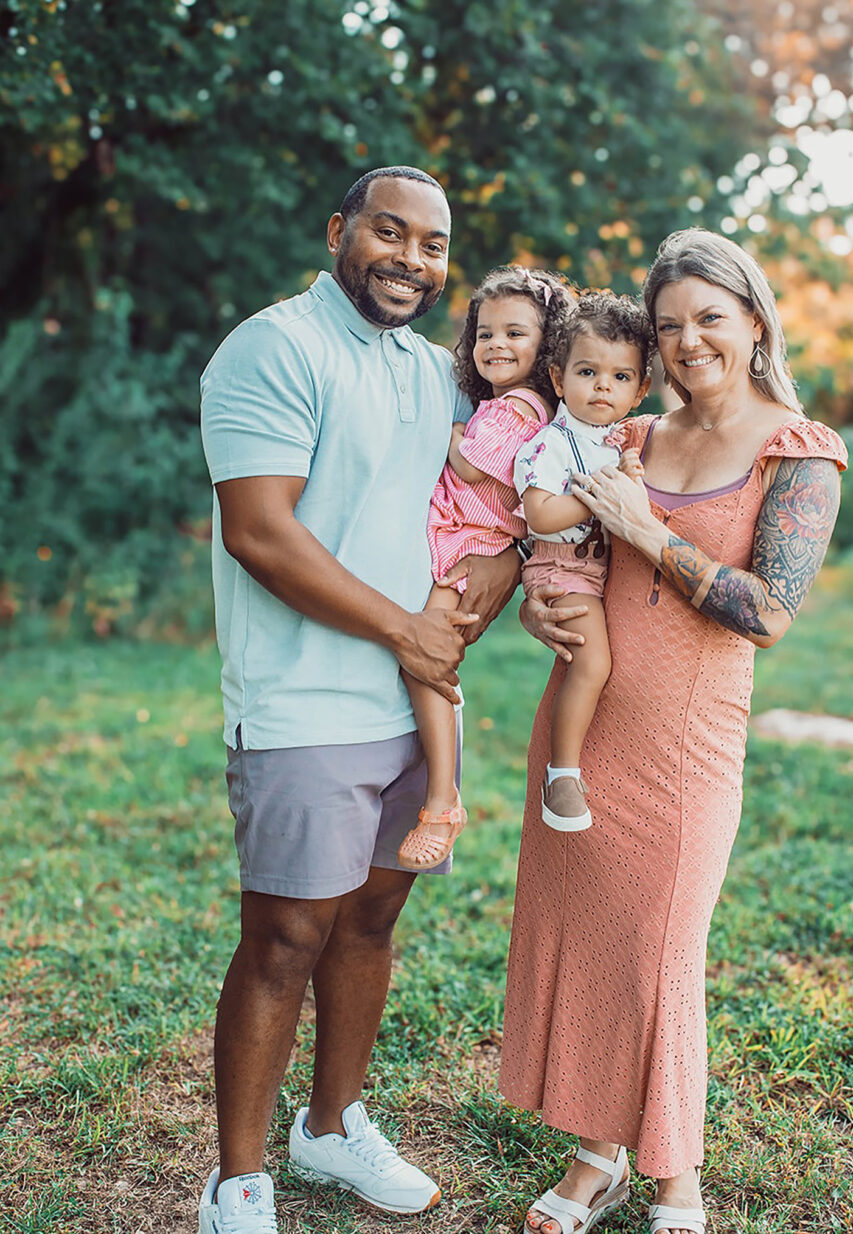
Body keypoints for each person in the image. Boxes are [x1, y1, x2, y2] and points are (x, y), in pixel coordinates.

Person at [501, 228, 848, 1234]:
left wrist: (649, 533)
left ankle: (676, 1179)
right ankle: (597, 1156)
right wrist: (538, 605)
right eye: (669, 325)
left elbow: (766, 613)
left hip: (685, 749)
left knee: (661, 954)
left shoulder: (799, 451)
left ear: (754, 321)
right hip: (582, 735)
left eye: (710, 317)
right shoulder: (633, 434)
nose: (690, 340)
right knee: (595, 941)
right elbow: (561, 542)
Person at [197, 166, 521, 1234]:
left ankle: (330, 1127)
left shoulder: (437, 373)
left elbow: (498, 497)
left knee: (372, 919)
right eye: (390, 232)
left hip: (414, 705)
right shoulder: (273, 348)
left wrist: (503, 576)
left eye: (433, 245)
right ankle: (237, 1181)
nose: (411, 260)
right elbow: (259, 532)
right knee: (286, 935)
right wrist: (405, 630)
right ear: (340, 230)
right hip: (303, 702)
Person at [396, 265, 574, 871]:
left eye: (515, 334)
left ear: (548, 346)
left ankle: (443, 801)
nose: (496, 345)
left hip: (474, 543)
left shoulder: (517, 407)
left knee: (427, 659)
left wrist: (451, 433)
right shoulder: (510, 404)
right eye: (485, 333)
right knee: (429, 659)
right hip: (468, 536)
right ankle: (437, 791)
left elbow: (472, 466)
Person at [513, 293, 653, 832]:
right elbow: (541, 514)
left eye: (620, 377)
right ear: (558, 377)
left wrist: (628, 480)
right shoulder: (549, 444)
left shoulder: (618, 443)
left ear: (640, 390)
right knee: (592, 664)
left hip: (597, 568)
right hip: (561, 567)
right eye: (588, 372)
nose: (602, 387)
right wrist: (607, 496)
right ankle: (563, 774)